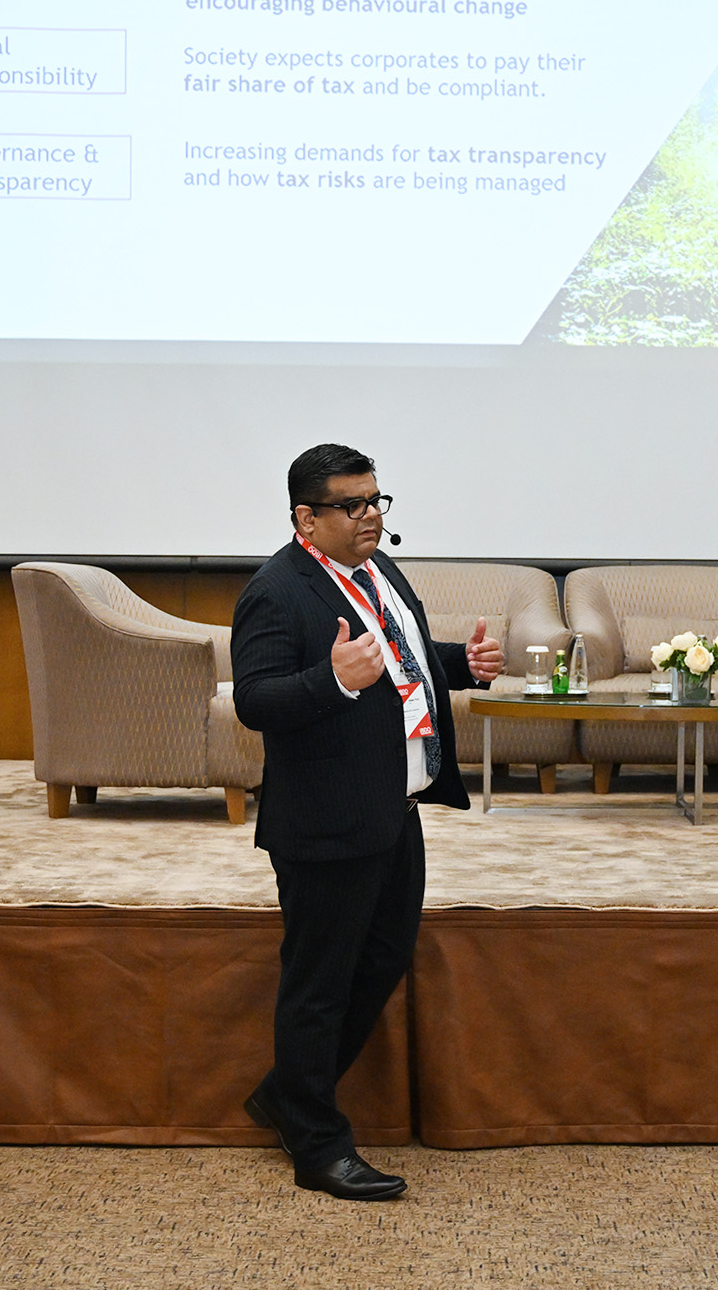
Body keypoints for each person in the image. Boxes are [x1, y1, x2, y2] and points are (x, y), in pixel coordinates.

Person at [230, 443, 503, 1200]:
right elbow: (255, 700)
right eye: (351, 505)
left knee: (381, 961)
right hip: (325, 821)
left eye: (376, 500)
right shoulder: (275, 592)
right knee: (318, 984)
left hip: (393, 810)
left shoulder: (379, 570)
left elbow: (400, 654)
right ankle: (317, 1144)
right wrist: (332, 680)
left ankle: (288, 1095)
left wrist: (460, 664)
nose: (370, 517)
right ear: (305, 519)